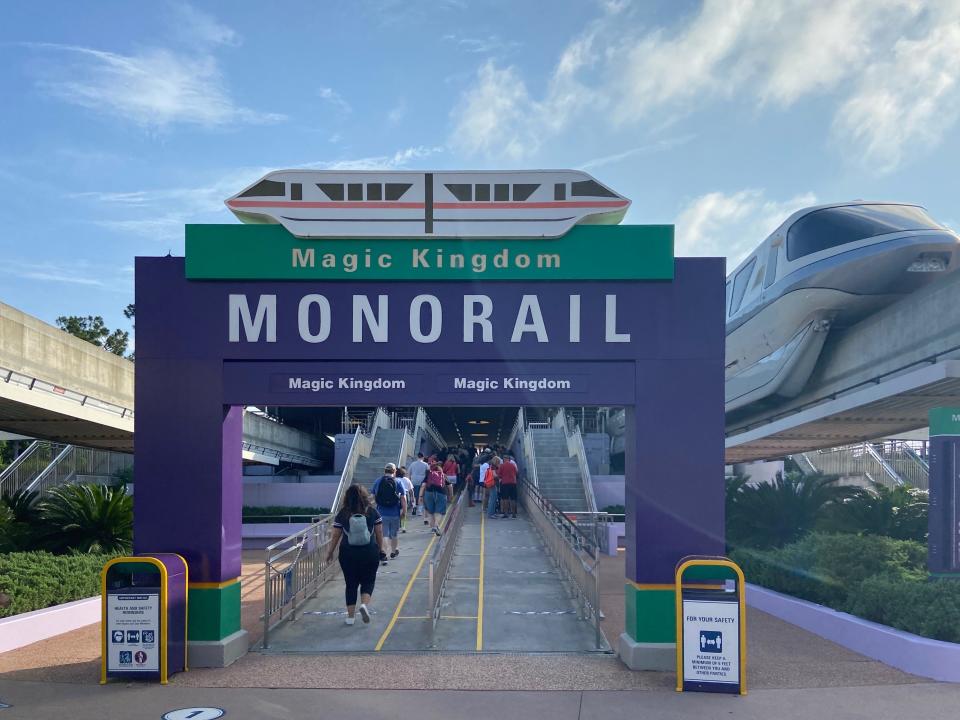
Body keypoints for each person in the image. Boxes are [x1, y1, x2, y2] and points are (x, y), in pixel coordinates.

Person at [325, 484, 384, 625]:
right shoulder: (372, 512)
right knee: (368, 581)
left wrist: (330, 552)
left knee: (351, 584)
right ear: (364, 496)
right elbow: (379, 532)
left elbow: (335, 536)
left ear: (347, 497)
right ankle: (364, 605)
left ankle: (350, 617)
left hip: (348, 553)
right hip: (369, 552)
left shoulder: (343, 513)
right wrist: (380, 549)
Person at [372, 463, 406, 559]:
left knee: (384, 535)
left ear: (384, 471)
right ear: (395, 471)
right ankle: (393, 551)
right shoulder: (398, 482)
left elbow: (373, 496)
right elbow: (403, 498)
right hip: (395, 513)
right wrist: (404, 511)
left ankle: (383, 553)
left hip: (381, 513)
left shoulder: (378, 481)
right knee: (394, 534)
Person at [421, 462, 447, 535]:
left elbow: (423, 485)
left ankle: (432, 528)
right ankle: (436, 526)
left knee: (430, 511)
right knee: (439, 511)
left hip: (429, 493)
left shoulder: (428, 475)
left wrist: (420, 496)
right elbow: (450, 486)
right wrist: (451, 495)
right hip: (441, 493)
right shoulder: (443, 475)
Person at [409, 453, 429, 519]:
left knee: (414, 495)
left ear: (417, 457)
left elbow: (409, 473)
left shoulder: (412, 464)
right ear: (423, 457)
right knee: (421, 496)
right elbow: (428, 473)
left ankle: (414, 507)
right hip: (422, 481)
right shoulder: (426, 464)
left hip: (413, 480)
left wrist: (409, 480)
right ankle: (420, 511)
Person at [498, 453, 518, 518]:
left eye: (504, 458)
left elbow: (499, 475)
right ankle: (514, 514)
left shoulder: (502, 466)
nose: (503, 459)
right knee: (513, 499)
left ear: (505, 459)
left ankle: (506, 513)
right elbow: (516, 473)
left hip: (505, 484)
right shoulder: (513, 466)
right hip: (513, 483)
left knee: (505, 499)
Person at [396, 466, 413, 533]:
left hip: (397, 496)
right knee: (404, 511)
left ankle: (397, 524)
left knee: (397, 510)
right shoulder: (406, 479)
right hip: (405, 495)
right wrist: (412, 498)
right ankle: (403, 527)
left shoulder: (395, 479)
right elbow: (411, 490)